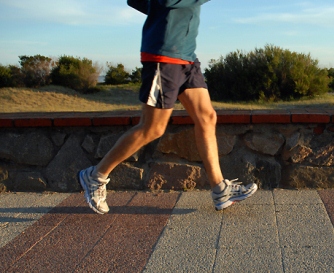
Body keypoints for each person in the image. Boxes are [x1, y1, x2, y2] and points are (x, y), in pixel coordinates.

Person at [78, 0, 257, 214]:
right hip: (163, 56)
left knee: (207, 117)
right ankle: (95, 176)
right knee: (152, 128)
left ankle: (220, 190)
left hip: (186, 57)